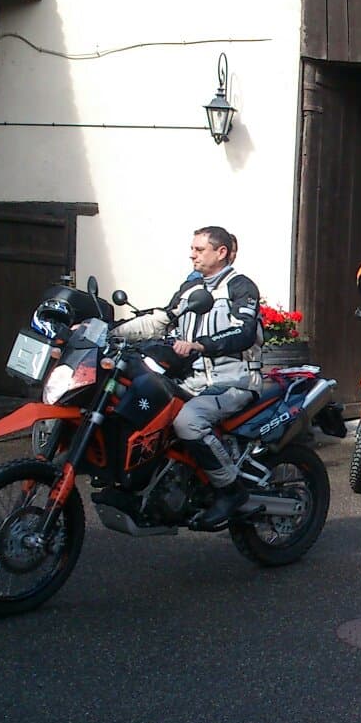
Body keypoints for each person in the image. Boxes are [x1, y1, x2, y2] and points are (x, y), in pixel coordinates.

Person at [116, 225, 263, 528]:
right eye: (192, 248)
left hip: (234, 380)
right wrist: (109, 331)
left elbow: (245, 331)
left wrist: (201, 345)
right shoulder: (191, 289)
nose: (191, 254)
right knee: (145, 400)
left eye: (199, 249)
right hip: (194, 381)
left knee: (188, 420)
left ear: (221, 252)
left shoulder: (240, 287)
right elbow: (161, 320)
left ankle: (231, 490)